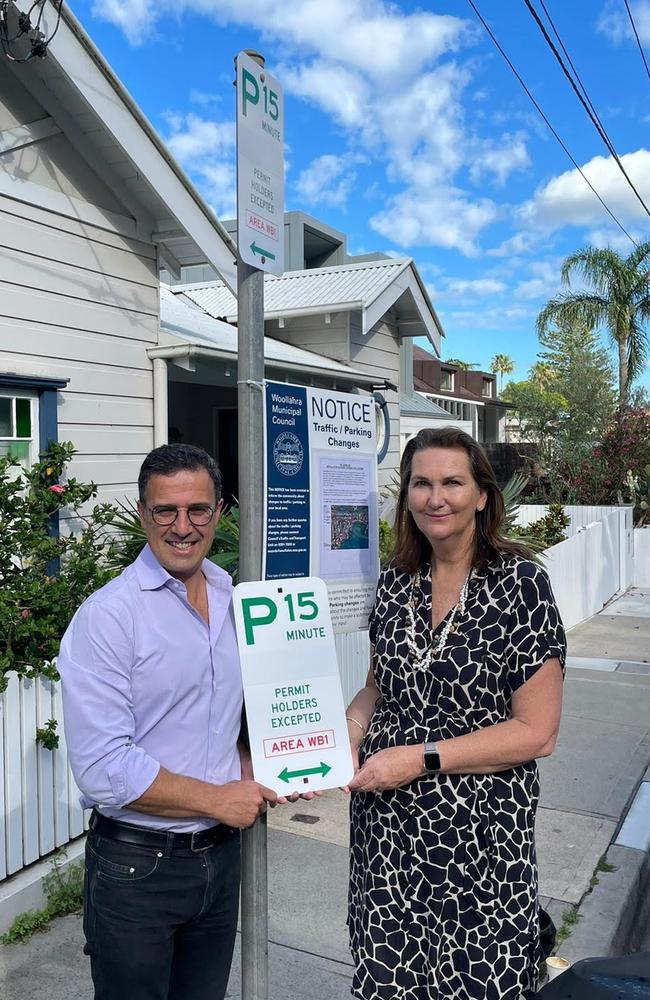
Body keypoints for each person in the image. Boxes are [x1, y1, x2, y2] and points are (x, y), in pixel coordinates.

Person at [345, 427, 565, 1000]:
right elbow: (377, 688)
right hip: (388, 830)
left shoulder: (520, 584)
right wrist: (347, 734)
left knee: (477, 978)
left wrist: (419, 759)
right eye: (421, 483)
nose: (434, 497)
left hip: (480, 836)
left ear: (482, 496)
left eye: (451, 482)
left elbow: (537, 732)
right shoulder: (396, 581)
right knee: (393, 977)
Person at [58, 443, 279, 1000]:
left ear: (220, 512)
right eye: (166, 511)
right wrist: (215, 799)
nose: (183, 527)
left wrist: (263, 760)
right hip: (137, 871)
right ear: (142, 514)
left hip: (220, 861)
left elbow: (234, 711)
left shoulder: (238, 599)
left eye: (197, 510)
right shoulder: (108, 618)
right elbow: (103, 767)